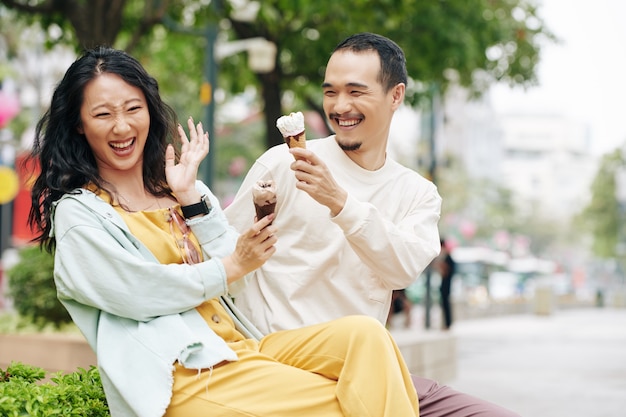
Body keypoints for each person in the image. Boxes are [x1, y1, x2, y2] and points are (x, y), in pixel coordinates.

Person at [26, 46, 422, 417]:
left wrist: (192, 202)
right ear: (78, 124)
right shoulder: (81, 213)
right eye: (103, 115)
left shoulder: (180, 187)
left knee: (366, 336)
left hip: (242, 348)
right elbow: (138, 292)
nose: (122, 125)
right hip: (188, 374)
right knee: (346, 402)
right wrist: (230, 265)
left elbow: (236, 272)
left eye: (133, 108)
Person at [226, 33, 520, 417]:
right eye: (330, 92)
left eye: (355, 91)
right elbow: (222, 253)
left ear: (396, 95)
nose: (340, 105)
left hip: (367, 366)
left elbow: (401, 270)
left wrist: (340, 202)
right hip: (284, 361)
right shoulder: (284, 164)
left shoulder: (417, 193)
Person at [436, 238, 456, 330]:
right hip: (445, 285)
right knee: (445, 305)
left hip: (446, 286)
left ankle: (447, 324)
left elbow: (446, 271)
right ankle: (446, 324)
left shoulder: (447, 258)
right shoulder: (447, 257)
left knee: (446, 305)